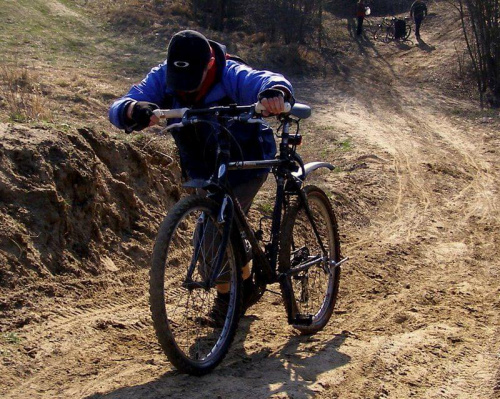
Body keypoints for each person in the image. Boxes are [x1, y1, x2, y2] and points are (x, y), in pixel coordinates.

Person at [109, 29, 294, 322]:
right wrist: (134, 109)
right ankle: (244, 284)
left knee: (212, 230)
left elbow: (264, 80)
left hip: (246, 160)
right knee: (223, 228)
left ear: (208, 66)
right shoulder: (163, 74)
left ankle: (226, 299)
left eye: (191, 82)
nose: (184, 90)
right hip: (201, 165)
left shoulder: (230, 71)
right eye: (178, 83)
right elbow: (122, 104)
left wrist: (274, 93)